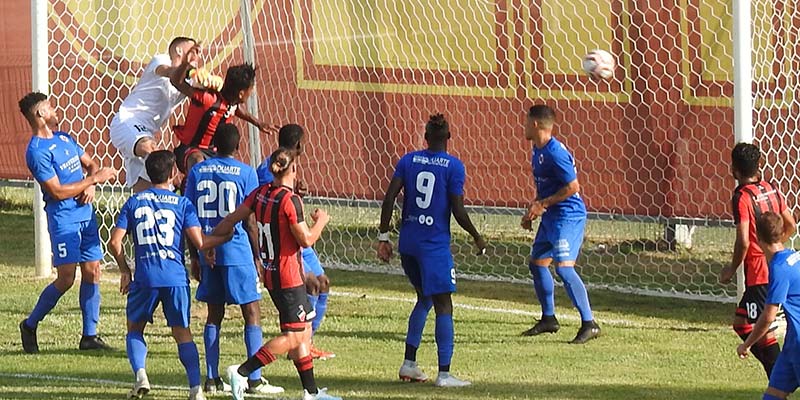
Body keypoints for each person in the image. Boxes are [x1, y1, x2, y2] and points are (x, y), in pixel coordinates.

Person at [211, 148, 342, 400]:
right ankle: (242, 371)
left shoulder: (260, 193)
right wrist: (321, 221)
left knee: (303, 332)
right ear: (293, 169)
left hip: (273, 273)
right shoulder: (290, 200)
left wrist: (209, 244)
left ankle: (311, 392)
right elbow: (306, 239)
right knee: (293, 337)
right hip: (288, 277)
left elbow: (231, 219)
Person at [108, 150, 229, 400]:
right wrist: (225, 236)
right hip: (174, 277)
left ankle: (141, 375)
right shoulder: (183, 203)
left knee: (135, 329)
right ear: (173, 173)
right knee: (182, 332)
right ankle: (195, 389)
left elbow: (114, 242)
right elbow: (200, 242)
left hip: (145, 277)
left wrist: (125, 270)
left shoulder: (134, 202)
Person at [377, 113, 486, 387]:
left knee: (424, 298)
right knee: (443, 303)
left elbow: (389, 198)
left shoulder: (408, 160)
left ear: (425, 137)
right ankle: (445, 374)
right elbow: (457, 209)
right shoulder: (454, 166)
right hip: (433, 246)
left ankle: (409, 363)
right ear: (449, 137)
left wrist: (383, 237)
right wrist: (476, 236)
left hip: (408, 243)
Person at [184, 123, 283, 395]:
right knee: (251, 311)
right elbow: (249, 220)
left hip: (207, 250)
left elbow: (189, 215)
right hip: (236, 250)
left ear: (213, 145)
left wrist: (195, 255)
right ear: (238, 146)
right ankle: (254, 379)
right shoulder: (246, 172)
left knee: (214, 314)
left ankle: (211, 378)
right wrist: (258, 257)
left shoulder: (197, 171)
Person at [18, 92, 116, 353]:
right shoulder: (36, 152)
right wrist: (93, 180)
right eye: (50, 107)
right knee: (66, 279)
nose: (55, 110)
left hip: (86, 215)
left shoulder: (65, 138)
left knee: (93, 271)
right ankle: (29, 324)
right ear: (40, 114)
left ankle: (89, 336)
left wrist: (91, 184)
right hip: (64, 219)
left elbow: (91, 164)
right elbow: (58, 191)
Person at [520, 104, 600, 344]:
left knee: (564, 268)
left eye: (526, 121)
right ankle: (549, 319)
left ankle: (589, 323)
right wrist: (534, 209)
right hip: (551, 216)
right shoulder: (538, 149)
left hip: (568, 216)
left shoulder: (555, 153)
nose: (524, 126)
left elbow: (573, 187)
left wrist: (542, 204)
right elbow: (547, 186)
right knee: (537, 264)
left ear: (535, 124)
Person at [256, 124, 334, 360]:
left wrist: (298, 193)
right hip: (284, 243)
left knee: (323, 283)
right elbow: (267, 204)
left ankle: (306, 343)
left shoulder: (290, 164)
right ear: (300, 144)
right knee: (311, 285)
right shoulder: (269, 168)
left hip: (298, 238)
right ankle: (298, 344)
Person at [109, 36, 222, 192]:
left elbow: (200, 86)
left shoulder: (187, 81)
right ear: (179, 51)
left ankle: (153, 203)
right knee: (153, 152)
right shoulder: (161, 60)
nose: (197, 56)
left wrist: (213, 82)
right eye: (194, 51)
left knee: (146, 185)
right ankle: (172, 191)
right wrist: (190, 70)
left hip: (146, 132)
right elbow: (169, 72)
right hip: (127, 122)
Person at [722, 142, 796, 377]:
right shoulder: (771, 188)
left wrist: (731, 269)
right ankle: (778, 377)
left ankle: (780, 378)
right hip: (772, 266)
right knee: (742, 322)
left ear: (734, 169)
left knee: (757, 327)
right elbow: (791, 224)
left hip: (758, 273)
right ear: (759, 165)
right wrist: (774, 247)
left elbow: (744, 241)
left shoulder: (742, 197)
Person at [169, 45, 269, 177]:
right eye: (251, 89)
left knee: (231, 171)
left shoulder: (232, 101)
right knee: (198, 163)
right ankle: (193, 184)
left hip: (216, 152)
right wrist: (185, 63)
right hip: (190, 149)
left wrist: (257, 123)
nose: (252, 92)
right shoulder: (208, 99)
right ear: (241, 93)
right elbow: (176, 82)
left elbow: (235, 108)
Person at [737, 212, 800, 400]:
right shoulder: (795, 257)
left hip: (798, 344)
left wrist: (747, 344)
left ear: (756, 237)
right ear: (782, 232)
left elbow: (768, 317)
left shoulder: (779, 268)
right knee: (773, 395)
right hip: (791, 345)